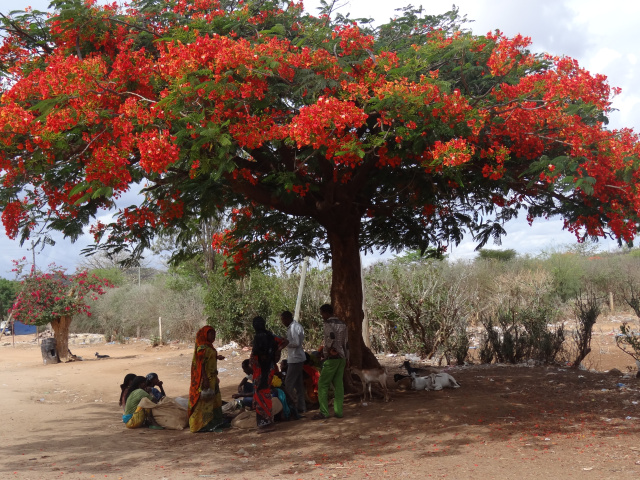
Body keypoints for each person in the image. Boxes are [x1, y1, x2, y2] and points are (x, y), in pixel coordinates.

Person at [188, 325, 228, 433]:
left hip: (213, 378)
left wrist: (217, 357)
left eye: (214, 334)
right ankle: (202, 425)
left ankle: (215, 422)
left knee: (215, 400)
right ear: (205, 334)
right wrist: (205, 379)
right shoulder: (202, 348)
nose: (213, 336)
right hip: (206, 380)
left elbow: (208, 358)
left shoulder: (208, 347)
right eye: (211, 334)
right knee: (206, 402)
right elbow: (201, 365)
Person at [250, 316, 287, 432]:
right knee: (264, 393)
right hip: (269, 369)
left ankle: (266, 423)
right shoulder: (271, 336)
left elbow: (258, 354)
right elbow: (285, 341)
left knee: (262, 394)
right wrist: (278, 351)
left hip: (262, 371)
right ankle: (266, 422)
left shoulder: (259, 338)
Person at [313, 304, 349, 420]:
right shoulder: (343, 324)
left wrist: (328, 350)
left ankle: (324, 412)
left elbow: (331, 337)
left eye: (322, 313)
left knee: (322, 384)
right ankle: (338, 412)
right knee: (338, 385)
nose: (322, 316)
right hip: (342, 358)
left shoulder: (328, 324)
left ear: (326, 313)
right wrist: (347, 357)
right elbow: (346, 343)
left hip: (332, 358)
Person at [280, 310, 306, 414]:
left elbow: (296, 342)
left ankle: (290, 407)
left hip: (295, 358)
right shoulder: (295, 326)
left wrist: (286, 343)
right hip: (296, 357)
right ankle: (301, 407)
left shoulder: (293, 328)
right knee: (299, 385)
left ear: (287, 319)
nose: (282, 322)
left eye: (283, 320)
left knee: (288, 384)